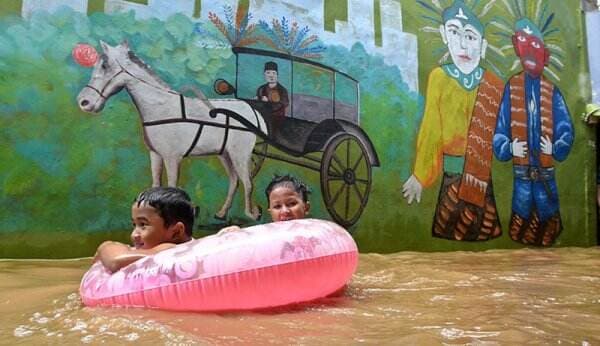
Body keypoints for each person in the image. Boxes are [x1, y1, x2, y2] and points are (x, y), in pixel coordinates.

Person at [402, 0, 504, 241]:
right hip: (452, 178)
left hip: (482, 179)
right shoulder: (439, 77)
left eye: (470, 37)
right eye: (454, 33)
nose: (463, 44)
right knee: (451, 233)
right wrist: (420, 175)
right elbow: (431, 130)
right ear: (444, 35)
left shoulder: (494, 85)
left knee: (484, 238)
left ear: (483, 45)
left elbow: (503, 131)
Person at [493, 17, 574, 246]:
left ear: (545, 56)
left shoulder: (552, 91)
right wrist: (508, 147)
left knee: (548, 236)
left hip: (546, 186)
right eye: (523, 43)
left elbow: (565, 128)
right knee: (519, 237)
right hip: (521, 187)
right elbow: (500, 130)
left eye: (535, 45)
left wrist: (556, 146)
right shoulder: (512, 87)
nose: (529, 51)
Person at [93, 187, 195, 273]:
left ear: (176, 232)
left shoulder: (171, 248)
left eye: (143, 225)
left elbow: (116, 261)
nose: (134, 235)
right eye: (134, 225)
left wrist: (105, 246)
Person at [256, 61, 289, 133]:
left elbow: (284, 103)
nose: (271, 76)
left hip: (277, 120)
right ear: (264, 74)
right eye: (268, 73)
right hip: (262, 118)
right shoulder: (261, 89)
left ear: (277, 75)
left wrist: (268, 103)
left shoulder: (282, 90)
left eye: (274, 73)